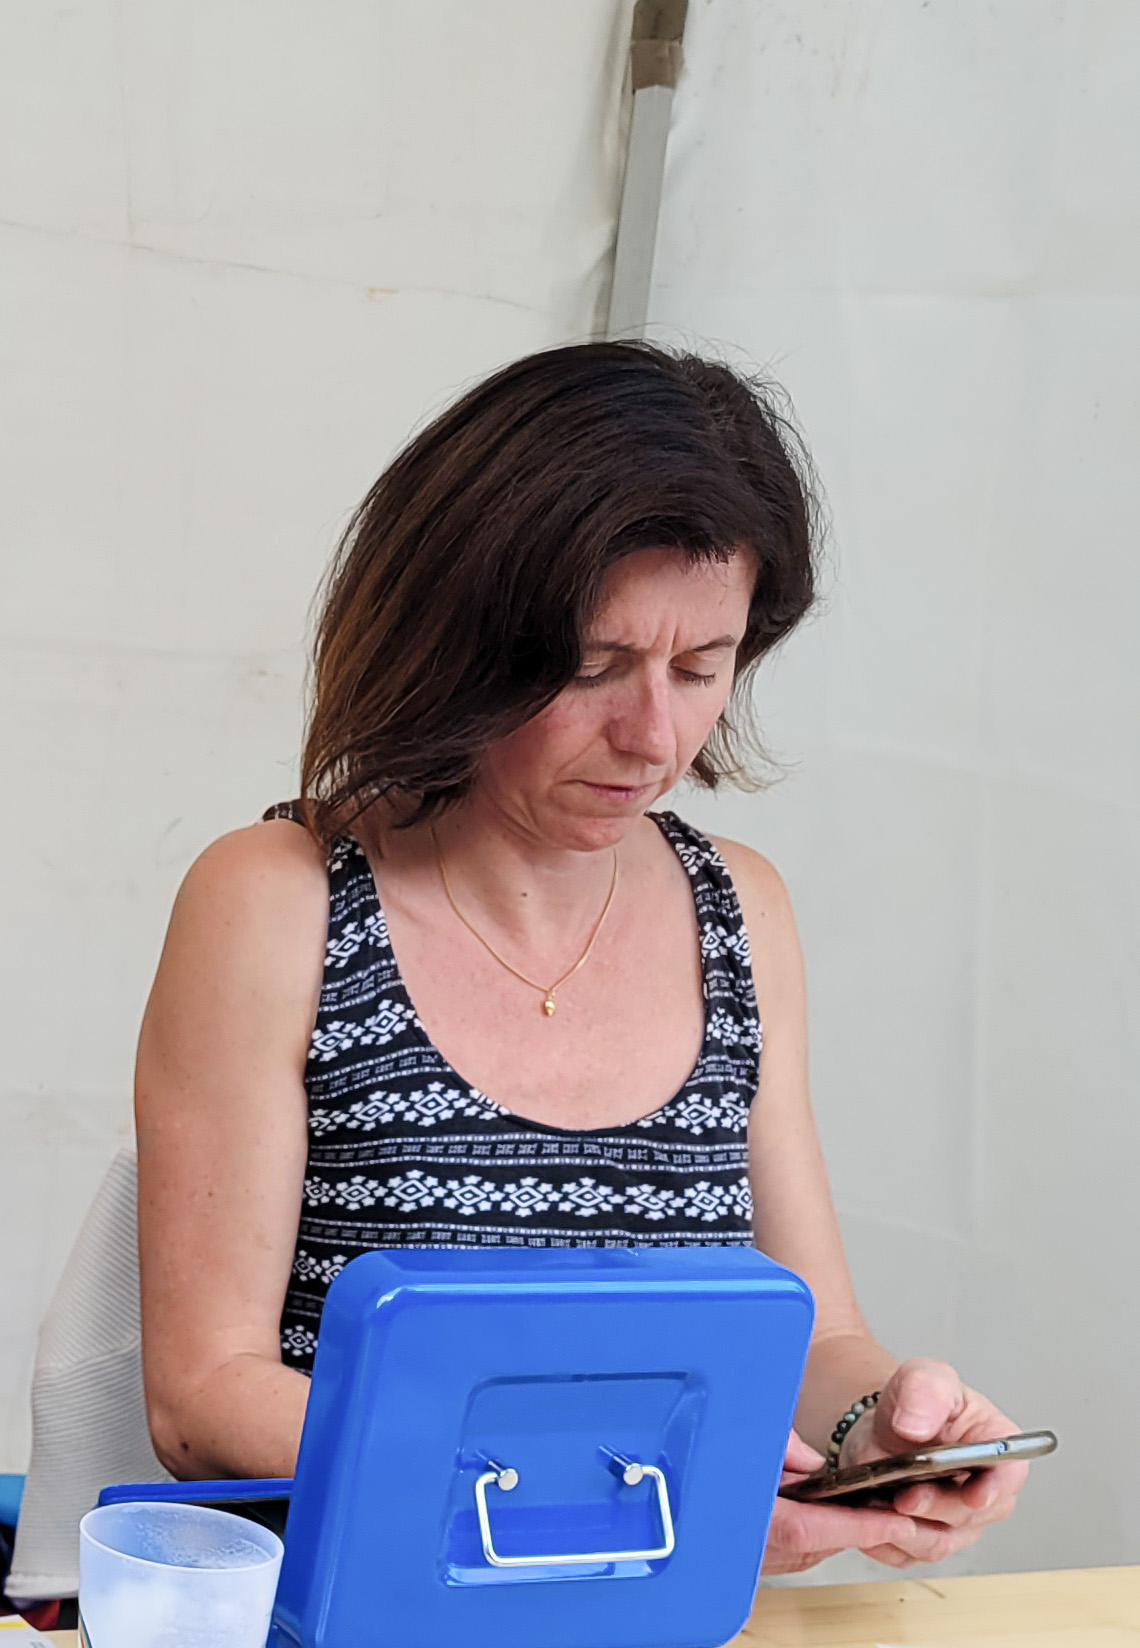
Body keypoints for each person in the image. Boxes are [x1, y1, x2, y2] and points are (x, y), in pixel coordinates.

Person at [133, 342, 1029, 1574]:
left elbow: (813, 1340)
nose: (651, 735)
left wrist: (886, 1427)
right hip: (367, 1592)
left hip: (665, 1599)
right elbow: (205, 1396)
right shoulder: (278, 904)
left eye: (702, 668)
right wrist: (632, 1498)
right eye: (594, 668)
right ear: (460, 639)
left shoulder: (742, 913)